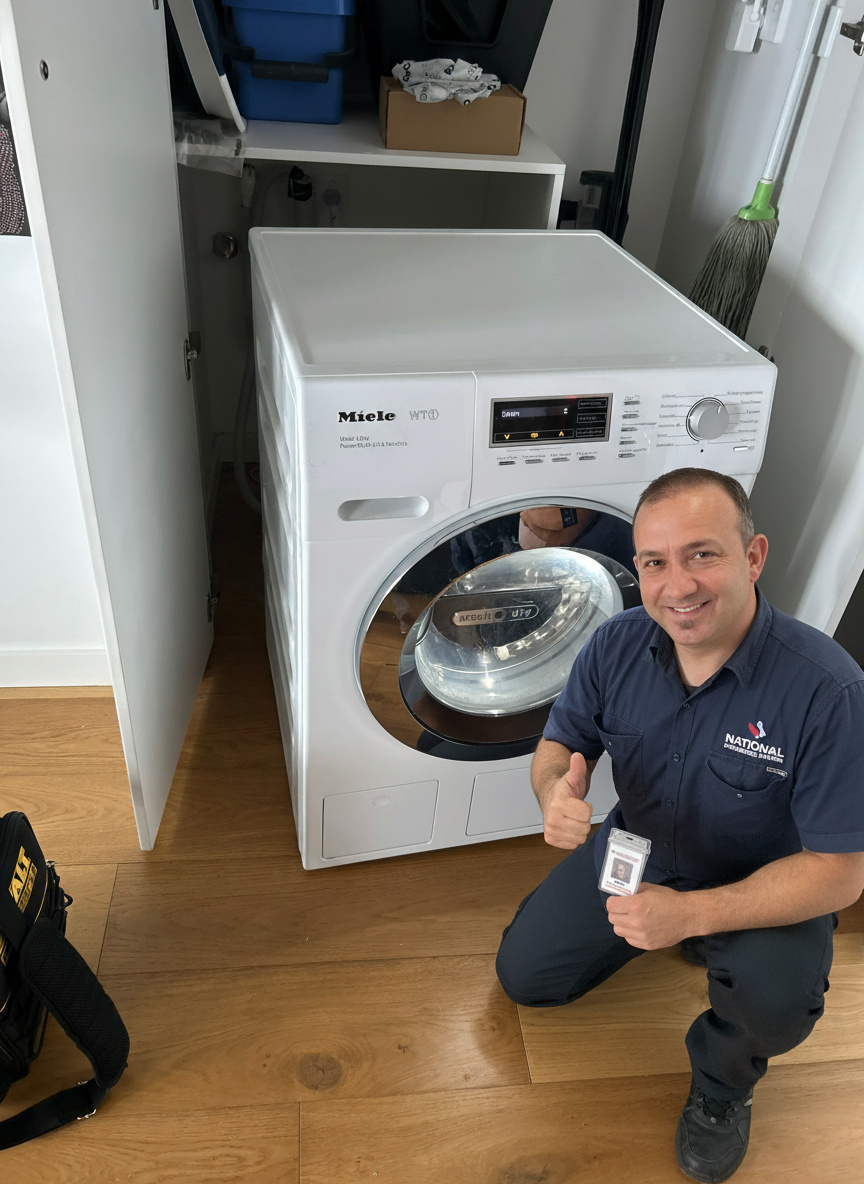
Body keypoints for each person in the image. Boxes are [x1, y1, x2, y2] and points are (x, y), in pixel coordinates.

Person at [496, 467, 864, 1183]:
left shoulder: (830, 690)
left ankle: (723, 1087)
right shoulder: (614, 644)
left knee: (776, 1003)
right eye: (655, 563)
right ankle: (674, 936)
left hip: (764, 881)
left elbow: (841, 873)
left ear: (752, 557)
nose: (678, 586)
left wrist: (690, 914)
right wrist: (552, 792)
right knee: (526, 977)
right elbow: (559, 744)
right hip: (636, 849)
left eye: (702, 554)